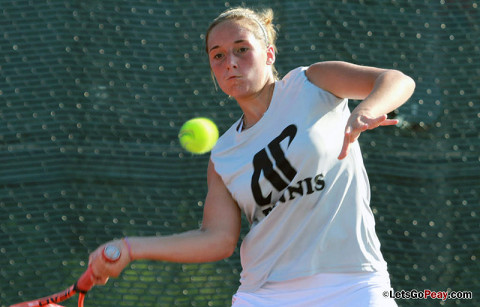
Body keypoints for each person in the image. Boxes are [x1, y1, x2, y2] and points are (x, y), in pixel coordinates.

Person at [88, 7, 415, 306]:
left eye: (242, 49)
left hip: (353, 284)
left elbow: (397, 80)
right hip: (263, 295)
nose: (230, 62)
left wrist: (366, 110)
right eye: (217, 55)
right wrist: (131, 248)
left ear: (269, 54)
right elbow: (217, 239)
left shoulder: (312, 83)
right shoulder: (223, 155)